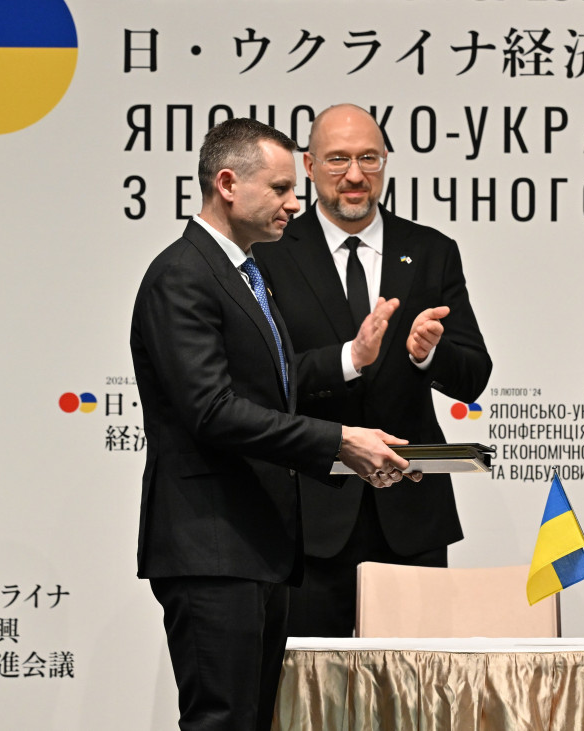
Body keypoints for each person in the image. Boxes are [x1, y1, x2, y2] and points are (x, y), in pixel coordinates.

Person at [130, 118, 416, 731]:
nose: (296, 203)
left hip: (255, 546)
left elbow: (272, 382)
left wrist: (351, 361)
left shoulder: (243, 271)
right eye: (283, 188)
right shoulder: (183, 275)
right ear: (228, 183)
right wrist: (339, 440)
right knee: (224, 720)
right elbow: (211, 409)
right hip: (211, 547)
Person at [252, 104, 493, 637]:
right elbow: (263, 380)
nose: (355, 176)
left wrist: (428, 353)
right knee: (309, 700)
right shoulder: (268, 253)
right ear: (309, 167)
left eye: (368, 158)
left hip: (411, 510)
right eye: (338, 160)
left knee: (418, 701)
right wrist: (349, 359)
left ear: (386, 162)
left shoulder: (430, 251)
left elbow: (473, 373)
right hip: (309, 516)